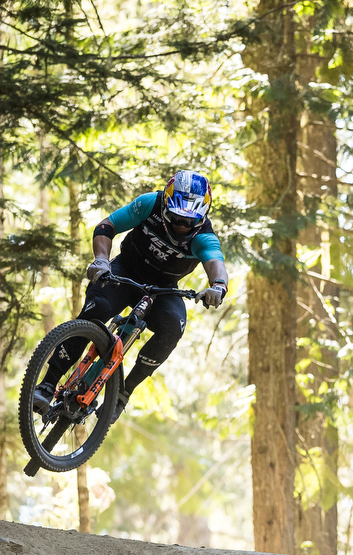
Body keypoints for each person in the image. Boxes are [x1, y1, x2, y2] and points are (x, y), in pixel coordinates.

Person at [37, 169, 228, 420]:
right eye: (175, 217)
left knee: (173, 326)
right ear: (165, 206)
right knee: (96, 311)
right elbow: (107, 225)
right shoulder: (150, 204)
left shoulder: (204, 236)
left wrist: (218, 287)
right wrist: (102, 261)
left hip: (164, 287)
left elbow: (216, 264)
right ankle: (47, 384)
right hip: (124, 269)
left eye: (189, 221)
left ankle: (123, 392)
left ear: (202, 215)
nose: (181, 226)